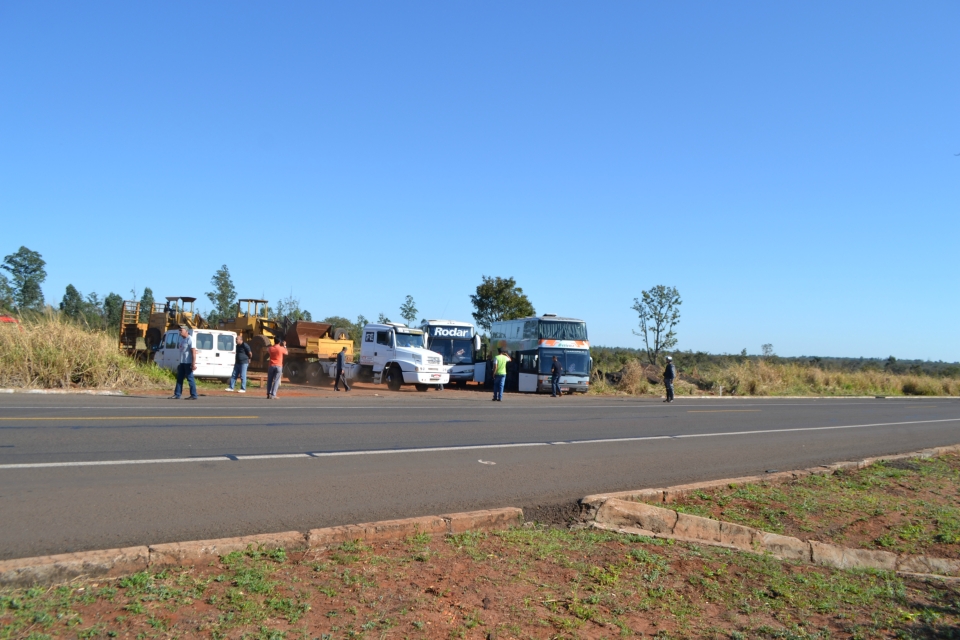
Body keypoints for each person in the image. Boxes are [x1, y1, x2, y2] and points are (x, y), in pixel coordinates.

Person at [169, 327, 198, 400]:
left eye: (181, 330)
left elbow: (193, 352)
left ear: (186, 331)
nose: (180, 332)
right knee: (179, 378)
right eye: (179, 330)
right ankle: (177, 394)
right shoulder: (182, 339)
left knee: (190, 379)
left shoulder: (190, 339)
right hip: (182, 362)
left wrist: (193, 364)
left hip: (188, 363)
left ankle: (193, 395)